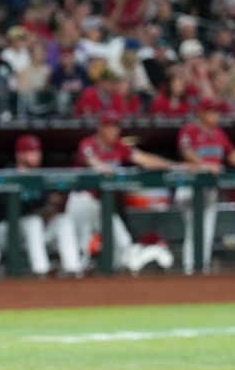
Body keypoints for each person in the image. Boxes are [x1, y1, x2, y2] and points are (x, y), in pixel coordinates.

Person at [65, 110, 176, 273]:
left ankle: (114, 284)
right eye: (109, 126)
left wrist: (174, 165)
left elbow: (144, 159)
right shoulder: (88, 143)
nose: (113, 130)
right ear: (100, 128)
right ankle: (72, 283)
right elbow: (92, 161)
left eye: (116, 126)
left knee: (123, 242)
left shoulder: (120, 146)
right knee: (81, 245)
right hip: (82, 200)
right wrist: (101, 166)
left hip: (102, 203)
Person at [0, 134, 82, 280]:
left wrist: (49, 209)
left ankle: (73, 269)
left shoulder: (39, 176)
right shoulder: (6, 174)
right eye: (31, 152)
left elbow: (45, 205)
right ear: (20, 155)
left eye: (37, 152)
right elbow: (10, 209)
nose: (36, 156)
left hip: (27, 233)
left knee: (62, 221)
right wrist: (40, 210)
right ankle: (41, 270)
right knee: (33, 221)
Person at [175, 97, 235, 274]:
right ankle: (190, 270)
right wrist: (204, 163)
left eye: (217, 112)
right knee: (194, 230)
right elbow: (186, 151)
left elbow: (232, 155)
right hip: (191, 185)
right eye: (211, 111)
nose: (215, 115)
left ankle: (202, 269)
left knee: (207, 232)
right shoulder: (190, 129)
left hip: (210, 189)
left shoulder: (218, 133)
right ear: (201, 113)